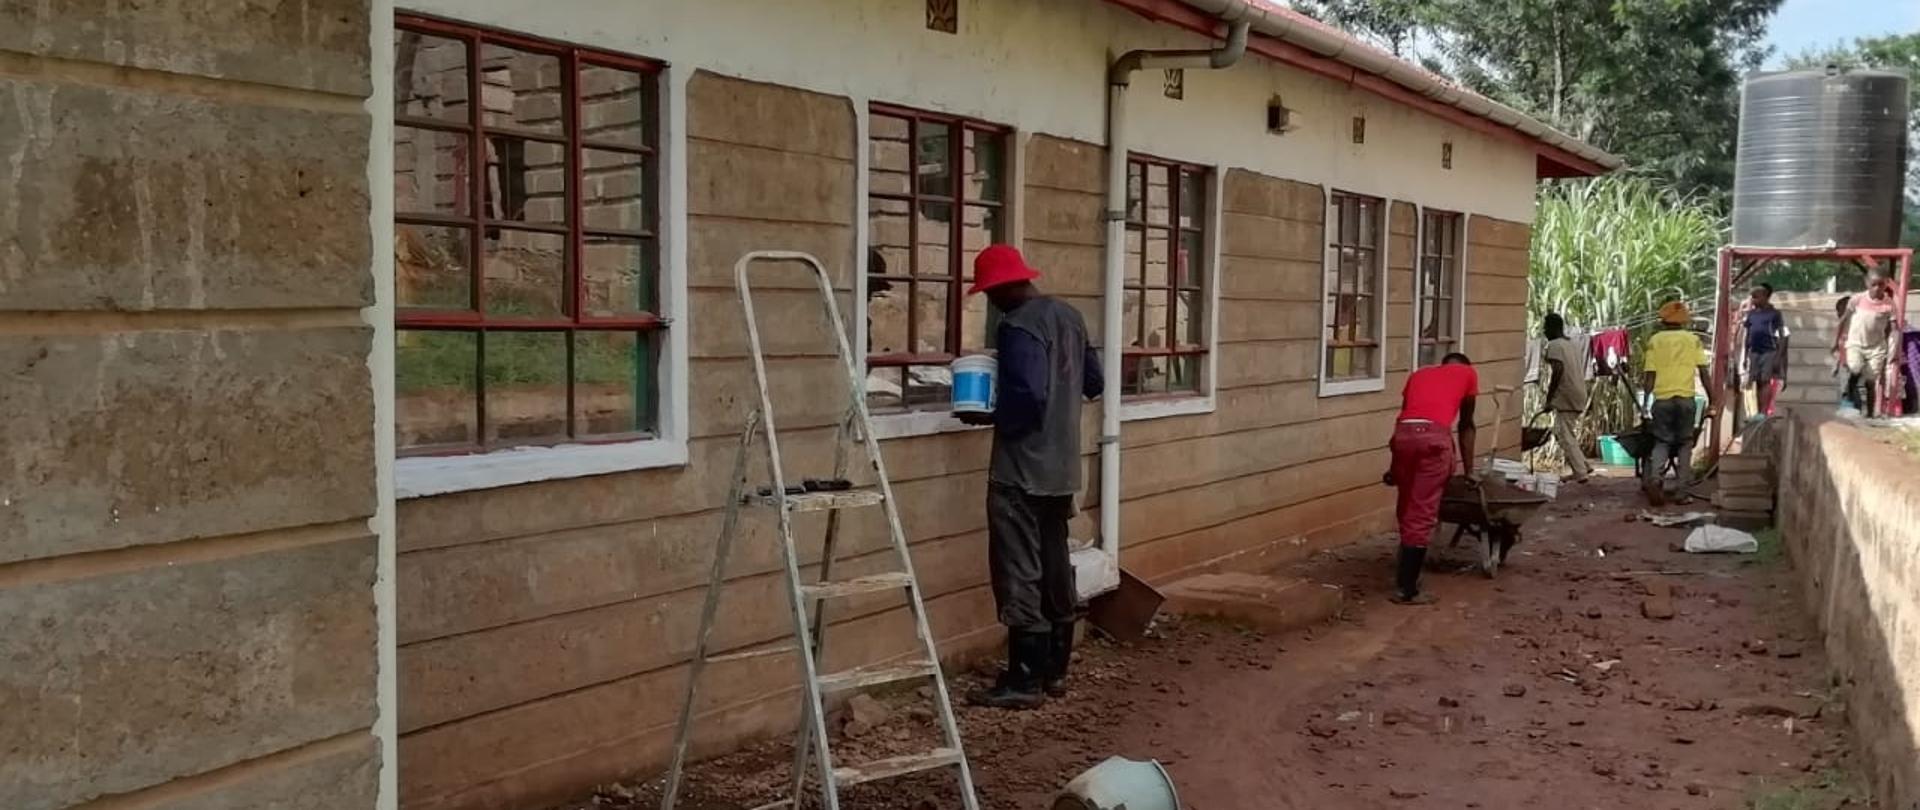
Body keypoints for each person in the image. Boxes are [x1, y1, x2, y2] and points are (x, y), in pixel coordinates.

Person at [956, 244, 1103, 709]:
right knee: (1055, 564)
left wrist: (988, 414)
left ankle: (1023, 679)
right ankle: (1056, 672)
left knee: (1017, 569)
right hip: (1061, 469)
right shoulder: (1069, 317)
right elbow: (1093, 383)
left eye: (990, 293)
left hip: (1019, 472)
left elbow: (1028, 398)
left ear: (1002, 288)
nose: (990, 302)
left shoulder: (1017, 325)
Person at [1381, 352, 1479, 605]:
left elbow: (1405, 420)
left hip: (1403, 439)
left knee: (1407, 505)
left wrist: (1394, 468)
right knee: (1422, 511)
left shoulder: (1420, 373)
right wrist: (1468, 472)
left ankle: (1406, 572)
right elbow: (1466, 425)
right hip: (1433, 441)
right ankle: (1407, 589)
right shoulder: (1468, 373)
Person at [1639, 301, 1715, 506]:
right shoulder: (1693, 340)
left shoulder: (1656, 341)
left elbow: (1649, 376)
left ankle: (1656, 479)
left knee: (1661, 442)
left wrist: (1645, 404)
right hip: (1685, 400)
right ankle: (1682, 492)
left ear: (1663, 320)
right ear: (1683, 320)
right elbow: (1704, 373)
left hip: (1662, 400)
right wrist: (1712, 400)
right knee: (1685, 444)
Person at [1836, 270, 1897, 418]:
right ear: (1866, 283)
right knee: (1855, 368)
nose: (1877, 288)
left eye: (1881, 285)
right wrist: (1835, 341)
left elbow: (1892, 327)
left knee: (1871, 382)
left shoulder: (1889, 304)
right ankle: (1849, 399)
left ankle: (1870, 414)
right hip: (1856, 343)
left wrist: (1892, 346)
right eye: (1873, 284)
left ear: (1886, 284)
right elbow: (1843, 319)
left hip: (1876, 346)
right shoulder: (1857, 300)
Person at [1539, 313, 1590, 483]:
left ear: (1553, 328)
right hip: (1579, 391)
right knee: (1568, 432)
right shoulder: (1571, 344)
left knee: (1563, 434)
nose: (1545, 332)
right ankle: (1584, 464)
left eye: (1546, 328)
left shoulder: (1555, 345)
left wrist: (1550, 398)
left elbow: (1558, 371)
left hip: (1567, 394)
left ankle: (1580, 472)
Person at [1738, 283, 1788, 417]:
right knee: (1756, 381)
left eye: (1756, 297)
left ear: (1765, 297)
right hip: (1754, 352)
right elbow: (1748, 335)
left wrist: (1779, 356)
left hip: (1768, 351)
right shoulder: (1751, 315)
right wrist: (1745, 357)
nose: (1753, 300)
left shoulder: (1774, 314)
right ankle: (1759, 411)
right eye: (1752, 297)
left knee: (1765, 380)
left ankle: (1763, 412)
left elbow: (1782, 336)